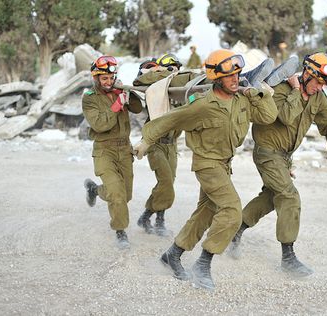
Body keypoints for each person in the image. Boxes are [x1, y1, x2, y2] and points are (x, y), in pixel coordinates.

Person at [133, 49, 278, 290]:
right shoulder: (203, 105)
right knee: (232, 211)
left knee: (206, 212)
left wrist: (258, 93)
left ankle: (173, 254)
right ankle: (203, 263)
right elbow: (171, 119)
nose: (236, 79)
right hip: (207, 164)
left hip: (224, 164)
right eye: (230, 76)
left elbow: (268, 116)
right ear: (216, 78)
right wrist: (146, 141)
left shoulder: (242, 99)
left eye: (238, 74)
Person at [228, 52, 327, 278]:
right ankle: (288, 257)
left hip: (284, 157)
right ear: (308, 74)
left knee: (272, 197)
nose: (320, 88)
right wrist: (295, 91)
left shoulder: (318, 96)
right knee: (289, 196)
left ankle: (235, 230)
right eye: (319, 82)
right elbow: (285, 116)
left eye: (324, 84)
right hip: (267, 153)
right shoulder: (280, 89)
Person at [82, 56, 143, 249]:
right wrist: (117, 105)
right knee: (117, 194)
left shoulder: (119, 90)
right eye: (104, 79)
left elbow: (138, 107)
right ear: (96, 78)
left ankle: (95, 190)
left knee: (126, 196)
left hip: (124, 149)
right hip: (104, 149)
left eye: (111, 77)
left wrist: (126, 92)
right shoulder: (89, 98)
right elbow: (100, 125)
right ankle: (120, 231)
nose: (108, 82)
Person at [133, 53, 194, 236]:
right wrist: (163, 71)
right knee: (166, 182)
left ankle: (146, 216)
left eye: (176, 67)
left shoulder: (179, 86)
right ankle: (159, 221)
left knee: (166, 184)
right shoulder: (157, 82)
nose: (174, 70)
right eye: (170, 67)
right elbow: (139, 80)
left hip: (171, 144)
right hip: (155, 143)